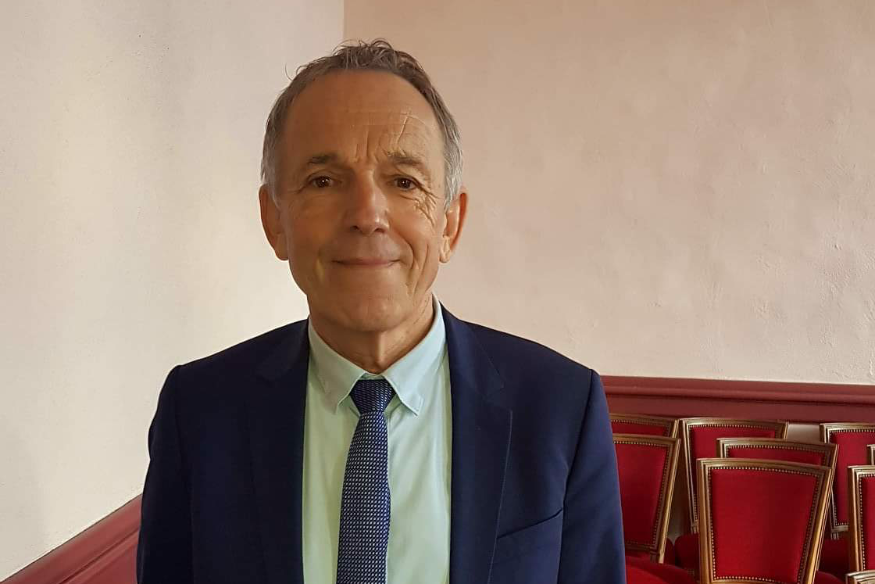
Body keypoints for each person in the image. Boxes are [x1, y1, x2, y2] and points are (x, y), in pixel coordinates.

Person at [136, 39, 625, 584]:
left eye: (404, 182)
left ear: (449, 223)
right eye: (324, 181)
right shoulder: (199, 412)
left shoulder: (560, 408)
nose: (367, 214)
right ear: (275, 220)